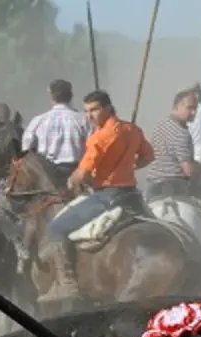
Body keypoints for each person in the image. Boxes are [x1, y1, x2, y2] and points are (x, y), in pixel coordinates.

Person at [39, 90, 154, 303]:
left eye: (94, 110)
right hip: (132, 196)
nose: (89, 116)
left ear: (108, 107)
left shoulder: (98, 138)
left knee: (55, 228)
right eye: (86, 111)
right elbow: (149, 156)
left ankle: (67, 285)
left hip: (107, 197)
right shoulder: (132, 129)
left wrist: (71, 181)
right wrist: (129, 166)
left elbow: (82, 173)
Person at [21, 79, 93, 184]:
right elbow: (93, 149)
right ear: (71, 96)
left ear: (51, 97)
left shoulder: (38, 121)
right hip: (78, 175)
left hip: (47, 177)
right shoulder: (84, 120)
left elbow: (26, 151)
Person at [141, 89, 199, 202]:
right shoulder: (181, 133)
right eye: (190, 108)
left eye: (195, 108)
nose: (194, 113)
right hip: (174, 186)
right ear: (177, 106)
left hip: (152, 186)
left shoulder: (161, 123)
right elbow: (188, 171)